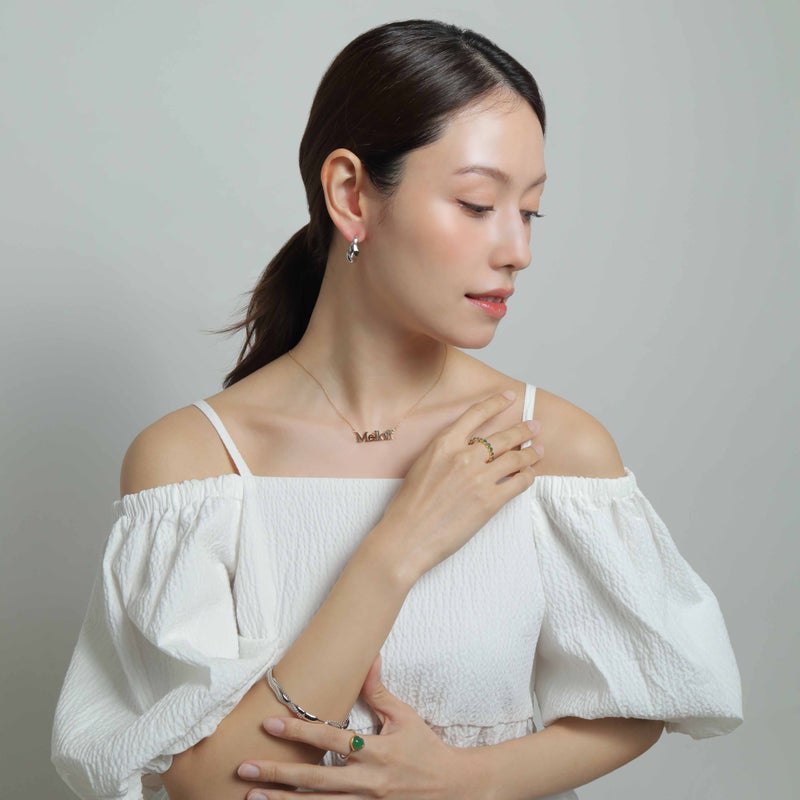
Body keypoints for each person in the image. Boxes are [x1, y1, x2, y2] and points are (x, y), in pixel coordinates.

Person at [50, 19, 743, 800]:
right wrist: (397, 548)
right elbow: (214, 788)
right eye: (477, 204)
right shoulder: (194, 462)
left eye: (529, 211)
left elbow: (642, 696)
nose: (517, 250)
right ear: (351, 194)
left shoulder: (549, 445)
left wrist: (471, 780)